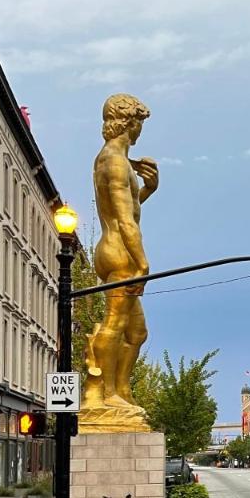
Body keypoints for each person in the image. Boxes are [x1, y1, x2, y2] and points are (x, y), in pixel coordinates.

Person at [82, 93, 159, 429]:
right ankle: (100, 393)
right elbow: (126, 221)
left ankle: (121, 391)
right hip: (119, 252)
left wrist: (148, 190)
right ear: (130, 123)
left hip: (112, 247)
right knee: (115, 323)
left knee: (137, 332)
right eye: (139, 123)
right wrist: (142, 264)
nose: (140, 130)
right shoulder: (114, 161)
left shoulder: (115, 161)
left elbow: (126, 208)